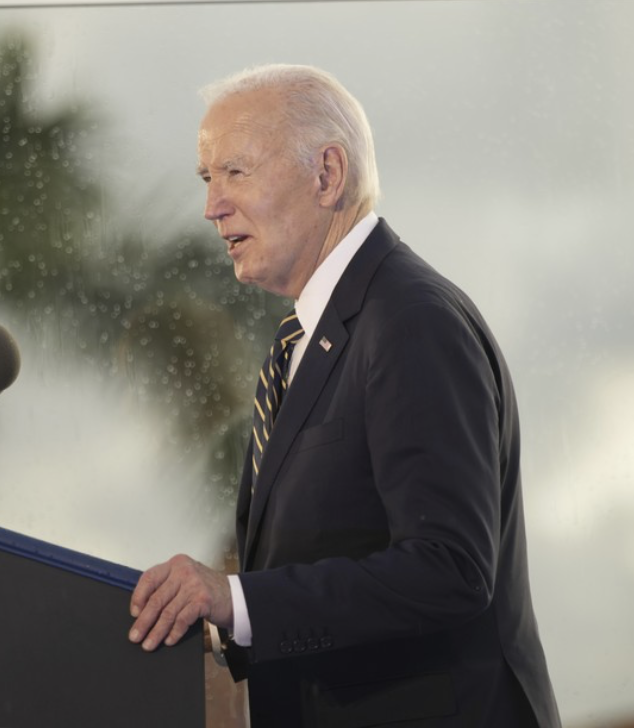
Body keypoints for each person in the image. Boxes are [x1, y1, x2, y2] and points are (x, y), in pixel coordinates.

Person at [128, 64, 561, 727]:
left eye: (235, 173)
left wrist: (238, 600)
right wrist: (216, 622)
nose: (212, 206)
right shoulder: (304, 340)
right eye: (206, 179)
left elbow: (449, 567)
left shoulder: (412, 319)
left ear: (327, 174)